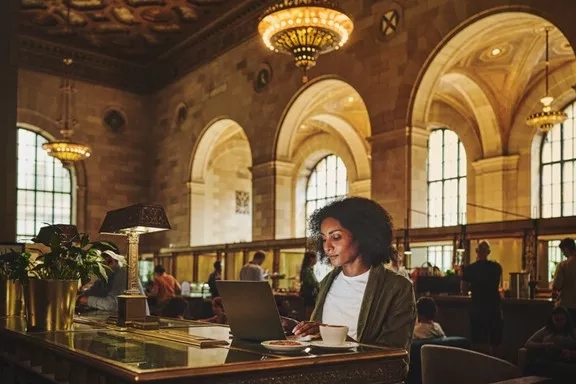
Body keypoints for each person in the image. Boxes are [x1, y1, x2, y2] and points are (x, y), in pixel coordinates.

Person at [292, 197, 416, 373]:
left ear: (362, 236)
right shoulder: (327, 281)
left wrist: (337, 338)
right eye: (323, 238)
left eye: (336, 237)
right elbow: (317, 338)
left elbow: (395, 357)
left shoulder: (396, 287)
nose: (327, 247)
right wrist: (297, 329)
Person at [461, 240, 503, 356]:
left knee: (478, 339)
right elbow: (498, 285)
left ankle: (479, 365)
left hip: (477, 307)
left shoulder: (469, 269)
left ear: (476, 251)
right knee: (496, 340)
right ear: (489, 252)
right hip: (494, 307)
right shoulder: (496, 267)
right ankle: (497, 365)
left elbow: (463, 290)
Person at [524, 306, 576, 380]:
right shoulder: (546, 330)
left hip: (567, 360)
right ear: (552, 319)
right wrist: (545, 345)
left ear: (567, 319)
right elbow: (528, 343)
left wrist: (571, 353)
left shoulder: (573, 332)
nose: (560, 322)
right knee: (531, 366)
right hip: (549, 359)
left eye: (562, 319)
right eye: (557, 319)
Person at [77, 247, 127, 312]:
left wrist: (81, 299)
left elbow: (112, 305)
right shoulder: (105, 277)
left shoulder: (122, 274)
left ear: (111, 260)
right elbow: (93, 292)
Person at [552, 238, 576, 322]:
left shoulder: (563, 265)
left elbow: (557, 285)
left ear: (566, 248)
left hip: (567, 305)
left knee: (567, 332)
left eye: (563, 251)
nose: (563, 253)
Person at [299, 251, 320, 319]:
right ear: (311, 259)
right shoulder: (308, 270)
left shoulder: (307, 269)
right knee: (310, 313)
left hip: (307, 294)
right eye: (315, 258)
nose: (316, 260)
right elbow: (314, 283)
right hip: (310, 294)